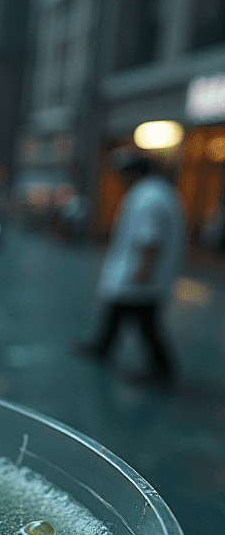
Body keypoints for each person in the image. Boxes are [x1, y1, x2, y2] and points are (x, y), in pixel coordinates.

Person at [75, 149, 185, 383]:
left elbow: (150, 238)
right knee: (120, 310)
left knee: (145, 320)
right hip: (140, 270)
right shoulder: (157, 192)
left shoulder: (148, 197)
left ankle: (162, 368)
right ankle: (103, 347)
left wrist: (144, 270)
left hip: (140, 272)